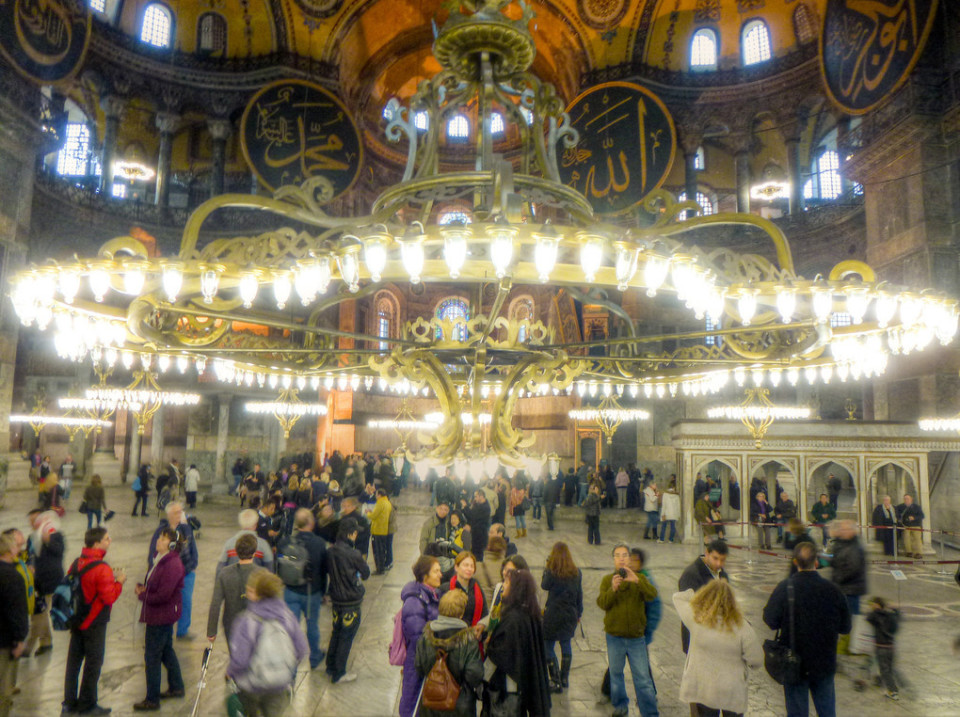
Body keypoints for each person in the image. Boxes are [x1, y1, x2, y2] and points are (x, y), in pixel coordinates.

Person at [763, 542, 851, 717]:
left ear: (795, 562)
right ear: (816, 562)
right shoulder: (833, 590)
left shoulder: (785, 588)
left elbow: (770, 620)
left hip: (795, 663)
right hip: (824, 663)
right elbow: (845, 627)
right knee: (827, 712)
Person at [672, 580, 763, 717]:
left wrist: (699, 599)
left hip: (705, 690)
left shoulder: (696, 619)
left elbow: (678, 597)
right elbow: (757, 660)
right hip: (732, 692)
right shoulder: (742, 627)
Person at [62, 527, 126, 716]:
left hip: (76, 621)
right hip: (94, 623)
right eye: (106, 539)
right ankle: (87, 705)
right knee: (93, 664)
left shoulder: (76, 563)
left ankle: (69, 704)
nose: (110, 541)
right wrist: (120, 581)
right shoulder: (102, 568)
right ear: (96, 543)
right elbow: (109, 597)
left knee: (73, 663)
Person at [228, 571, 308, 716]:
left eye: (250, 590)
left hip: (251, 686)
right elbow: (302, 650)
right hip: (278, 684)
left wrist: (230, 673)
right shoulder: (287, 616)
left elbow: (240, 660)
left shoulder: (247, 620)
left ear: (258, 594)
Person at [598, 543, 659, 717]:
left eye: (625, 555)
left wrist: (638, 581)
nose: (622, 558)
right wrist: (613, 589)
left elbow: (652, 595)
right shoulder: (606, 580)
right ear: (614, 559)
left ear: (630, 558)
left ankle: (649, 712)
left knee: (643, 679)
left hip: (636, 638)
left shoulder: (639, 578)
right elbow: (602, 603)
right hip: (614, 637)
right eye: (618, 555)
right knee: (616, 675)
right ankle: (620, 706)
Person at [485, 568, 552, 716]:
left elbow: (502, 654)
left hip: (508, 691)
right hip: (524, 686)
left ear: (516, 588)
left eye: (506, 582)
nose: (503, 586)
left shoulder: (513, 619)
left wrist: (489, 644)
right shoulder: (530, 614)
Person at [133, 527, 186, 711]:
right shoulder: (160, 560)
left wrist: (143, 595)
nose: (158, 540)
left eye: (163, 538)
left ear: (172, 545)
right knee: (165, 651)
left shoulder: (172, 564)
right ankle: (177, 686)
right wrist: (144, 588)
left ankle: (152, 699)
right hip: (162, 614)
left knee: (152, 656)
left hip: (161, 616)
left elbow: (163, 595)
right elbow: (156, 585)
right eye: (160, 537)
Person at [415, 588, 484, 717]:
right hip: (460, 706)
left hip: (431, 703)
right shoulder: (468, 639)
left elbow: (419, 666)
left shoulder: (426, 636)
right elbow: (474, 675)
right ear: (461, 613)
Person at [278, 508, 328, 670]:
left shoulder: (285, 542)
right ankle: (314, 657)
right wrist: (323, 592)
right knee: (312, 625)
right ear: (311, 523)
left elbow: (280, 562)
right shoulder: (319, 543)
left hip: (290, 590)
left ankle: (290, 661)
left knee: (291, 627)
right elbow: (324, 569)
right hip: (311, 592)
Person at [325, 518, 370, 683]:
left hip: (336, 599)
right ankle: (339, 673)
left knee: (336, 632)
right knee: (346, 637)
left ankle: (330, 666)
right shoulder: (354, 554)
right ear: (350, 534)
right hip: (350, 601)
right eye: (356, 532)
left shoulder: (330, 551)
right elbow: (366, 573)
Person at [398, 556, 442, 717]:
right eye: (436, 571)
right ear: (425, 576)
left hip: (426, 658)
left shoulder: (432, 593)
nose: (440, 575)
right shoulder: (414, 601)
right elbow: (418, 638)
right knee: (412, 700)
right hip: (418, 660)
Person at [148, 502, 199, 639]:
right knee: (168, 603)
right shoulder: (161, 532)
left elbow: (192, 545)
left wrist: (194, 563)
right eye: (177, 512)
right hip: (169, 575)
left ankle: (183, 630)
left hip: (187, 571)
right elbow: (153, 551)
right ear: (169, 514)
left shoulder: (186, 528)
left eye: (181, 511)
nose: (180, 514)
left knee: (186, 601)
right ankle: (166, 630)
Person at [208, 534, 266, 652]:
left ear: (236, 552)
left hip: (231, 624)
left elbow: (215, 603)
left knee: (236, 657)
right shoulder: (262, 574)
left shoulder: (224, 573)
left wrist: (211, 631)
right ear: (254, 552)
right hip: (256, 625)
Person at [541, 542, 582, 694]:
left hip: (553, 614)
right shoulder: (577, 572)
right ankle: (564, 679)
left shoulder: (551, 572)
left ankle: (555, 679)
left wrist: (546, 568)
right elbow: (579, 596)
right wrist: (579, 614)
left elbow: (544, 586)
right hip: (570, 614)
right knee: (566, 644)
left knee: (548, 646)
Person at [678, 539, 730, 654]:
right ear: (707, 553)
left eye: (722, 560)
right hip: (696, 639)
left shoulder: (722, 574)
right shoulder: (691, 575)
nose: (719, 564)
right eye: (715, 558)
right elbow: (689, 610)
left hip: (716, 637)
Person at [26, 510, 63, 658]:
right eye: (32, 520)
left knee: (39, 615)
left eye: (36, 519)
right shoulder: (31, 537)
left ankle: (28, 647)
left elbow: (59, 551)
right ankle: (46, 642)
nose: (34, 523)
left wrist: (47, 541)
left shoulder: (55, 535)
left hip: (50, 580)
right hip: (35, 581)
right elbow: (30, 555)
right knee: (40, 613)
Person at [0, 533, 28, 717]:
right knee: (3, 688)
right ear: (11, 550)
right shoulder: (12, 576)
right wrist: (19, 640)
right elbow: (16, 612)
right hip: (4, 640)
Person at [829, 519, 867, 620]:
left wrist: (837, 579)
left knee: (849, 622)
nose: (842, 532)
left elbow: (853, 569)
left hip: (851, 590)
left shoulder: (855, 547)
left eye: (845, 530)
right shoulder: (842, 543)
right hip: (842, 589)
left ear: (852, 531)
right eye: (842, 529)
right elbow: (836, 560)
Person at [216, 509, 275, 574]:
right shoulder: (263, 545)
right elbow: (270, 571)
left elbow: (220, 569)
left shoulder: (229, 544)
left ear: (240, 524)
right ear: (255, 524)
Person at [440, 551, 488, 628]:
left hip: (474, 634)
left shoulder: (477, 588)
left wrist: (482, 625)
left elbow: (484, 612)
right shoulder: (445, 589)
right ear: (456, 567)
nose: (469, 569)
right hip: (451, 634)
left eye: (472, 566)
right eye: (466, 565)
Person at [866, 596, 900, 701]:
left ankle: (893, 691)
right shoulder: (891, 616)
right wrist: (895, 610)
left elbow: (869, 618)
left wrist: (877, 609)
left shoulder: (876, 616)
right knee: (889, 670)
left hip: (881, 648)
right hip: (891, 647)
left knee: (885, 671)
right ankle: (892, 689)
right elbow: (898, 618)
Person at [476, 536, 507, 605]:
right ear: (504, 550)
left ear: (487, 547)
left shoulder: (477, 567)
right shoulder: (508, 569)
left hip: (483, 611)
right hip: (501, 611)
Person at [369, 488, 394, 574]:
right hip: (384, 530)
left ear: (379, 495)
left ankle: (380, 569)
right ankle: (382, 567)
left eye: (376, 494)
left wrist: (368, 513)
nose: (376, 496)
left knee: (378, 551)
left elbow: (374, 515)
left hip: (377, 530)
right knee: (382, 550)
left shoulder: (380, 503)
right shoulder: (387, 503)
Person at [896, 494, 924, 558]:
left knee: (917, 539)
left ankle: (918, 553)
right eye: (905, 499)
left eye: (908, 499)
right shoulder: (900, 507)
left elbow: (922, 516)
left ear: (911, 499)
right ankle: (909, 552)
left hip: (916, 525)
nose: (906, 500)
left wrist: (914, 517)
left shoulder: (917, 507)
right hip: (906, 525)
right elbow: (897, 515)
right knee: (906, 539)